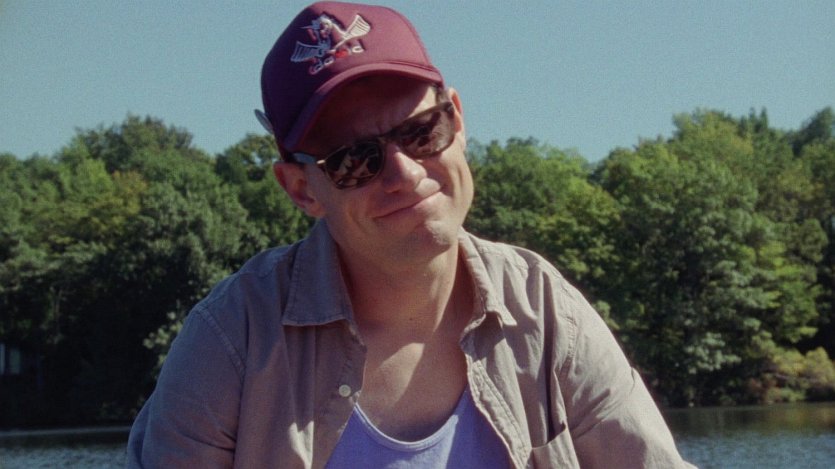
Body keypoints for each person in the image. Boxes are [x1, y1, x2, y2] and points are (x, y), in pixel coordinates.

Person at [127, 2, 694, 468]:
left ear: (458, 121)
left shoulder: (544, 310)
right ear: (301, 189)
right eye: (355, 160)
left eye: (422, 132)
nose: (404, 173)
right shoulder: (232, 338)